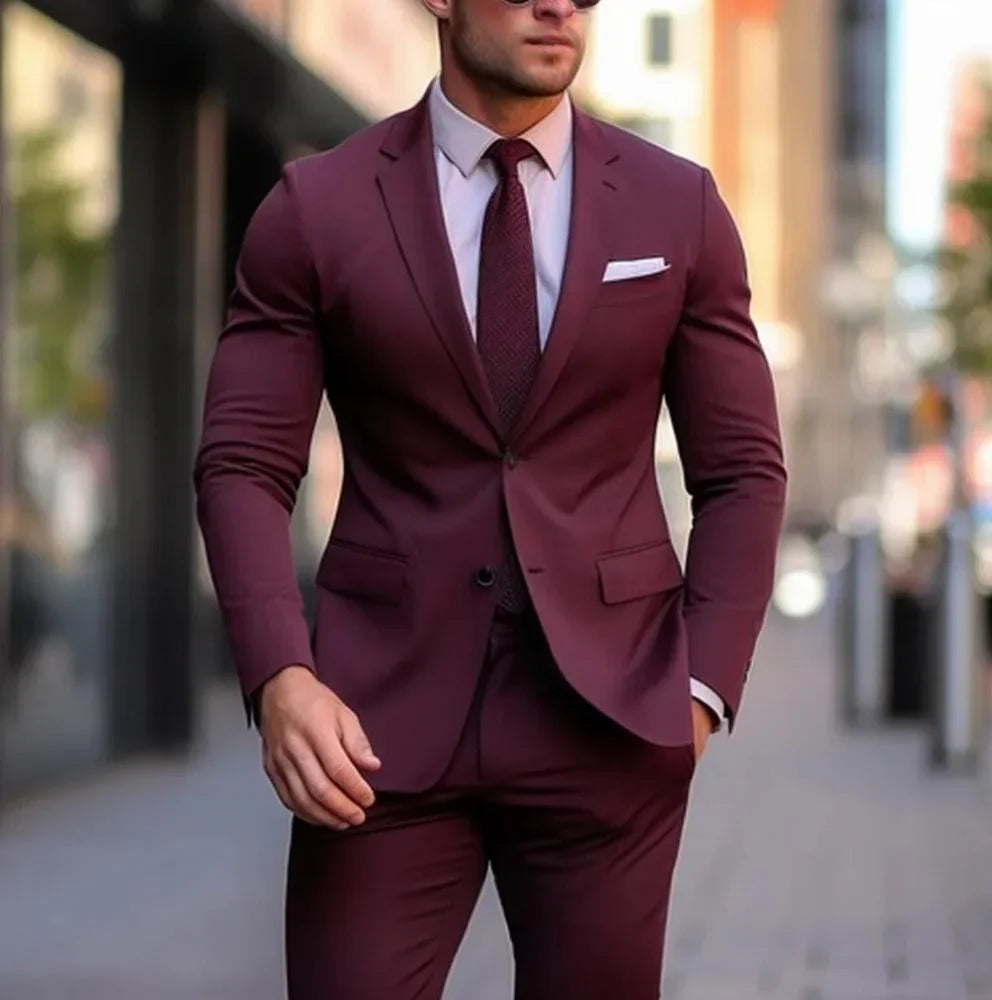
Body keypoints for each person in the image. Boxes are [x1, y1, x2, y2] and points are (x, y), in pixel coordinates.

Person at [193, 0, 787, 997]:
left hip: (610, 719)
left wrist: (698, 691)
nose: (559, 6)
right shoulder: (316, 207)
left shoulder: (674, 205)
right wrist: (281, 676)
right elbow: (243, 462)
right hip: (375, 727)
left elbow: (742, 471)